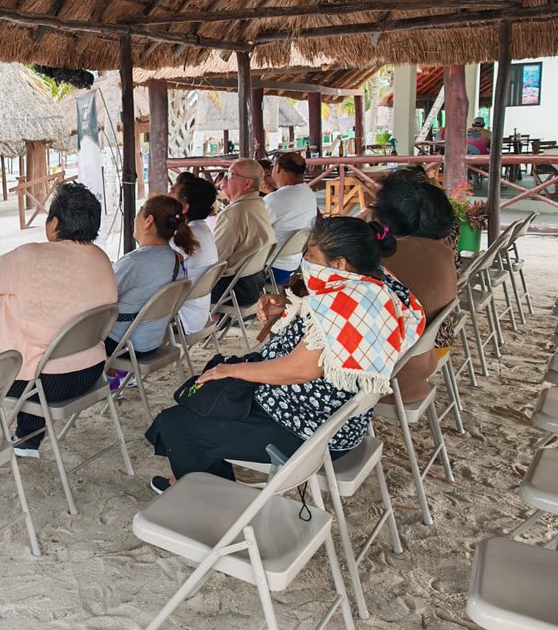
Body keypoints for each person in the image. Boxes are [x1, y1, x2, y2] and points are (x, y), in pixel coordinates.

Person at [145, 216, 425, 493]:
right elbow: (329, 323)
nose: (305, 258)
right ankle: (201, 479)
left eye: (311, 253)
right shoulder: (376, 282)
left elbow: (298, 369)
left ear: (339, 264)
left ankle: (208, 496)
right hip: (333, 417)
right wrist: (290, 305)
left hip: (309, 429)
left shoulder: (346, 303)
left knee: (178, 424)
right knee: (206, 400)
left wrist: (230, 370)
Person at [0, 183, 117, 457]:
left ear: (54, 223)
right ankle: (27, 439)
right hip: (89, 371)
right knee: (40, 350)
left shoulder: (29, 256)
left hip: (43, 382)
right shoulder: (102, 260)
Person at [370, 167, 459, 404]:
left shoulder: (387, 260)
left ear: (386, 216)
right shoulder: (443, 251)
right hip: (430, 354)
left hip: (397, 377)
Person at [107, 195, 195, 356]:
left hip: (123, 344)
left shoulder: (133, 262)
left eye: (139, 212)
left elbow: (101, 298)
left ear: (148, 221)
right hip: (151, 342)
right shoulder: (176, 260)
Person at [211, 157, 276, 307]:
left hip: (232, 291)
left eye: (230, 175)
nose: (224, 180)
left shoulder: (234, 213)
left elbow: (214, 261)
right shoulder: (259, 205)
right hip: (253, 285)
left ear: (247, 183)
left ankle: (198, 325)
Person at [170, 173, 220, 335]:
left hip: (180, 319)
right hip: (198, 316)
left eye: (172, 192)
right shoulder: (203, 230)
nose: (167, 196)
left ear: (184, 206)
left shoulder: (182, 239)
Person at [263, 151, 318, 285]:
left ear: (278, 168)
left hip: (269, 269)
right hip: (293, 267)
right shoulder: (308, 193)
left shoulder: (274, 199)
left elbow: (253, 234)